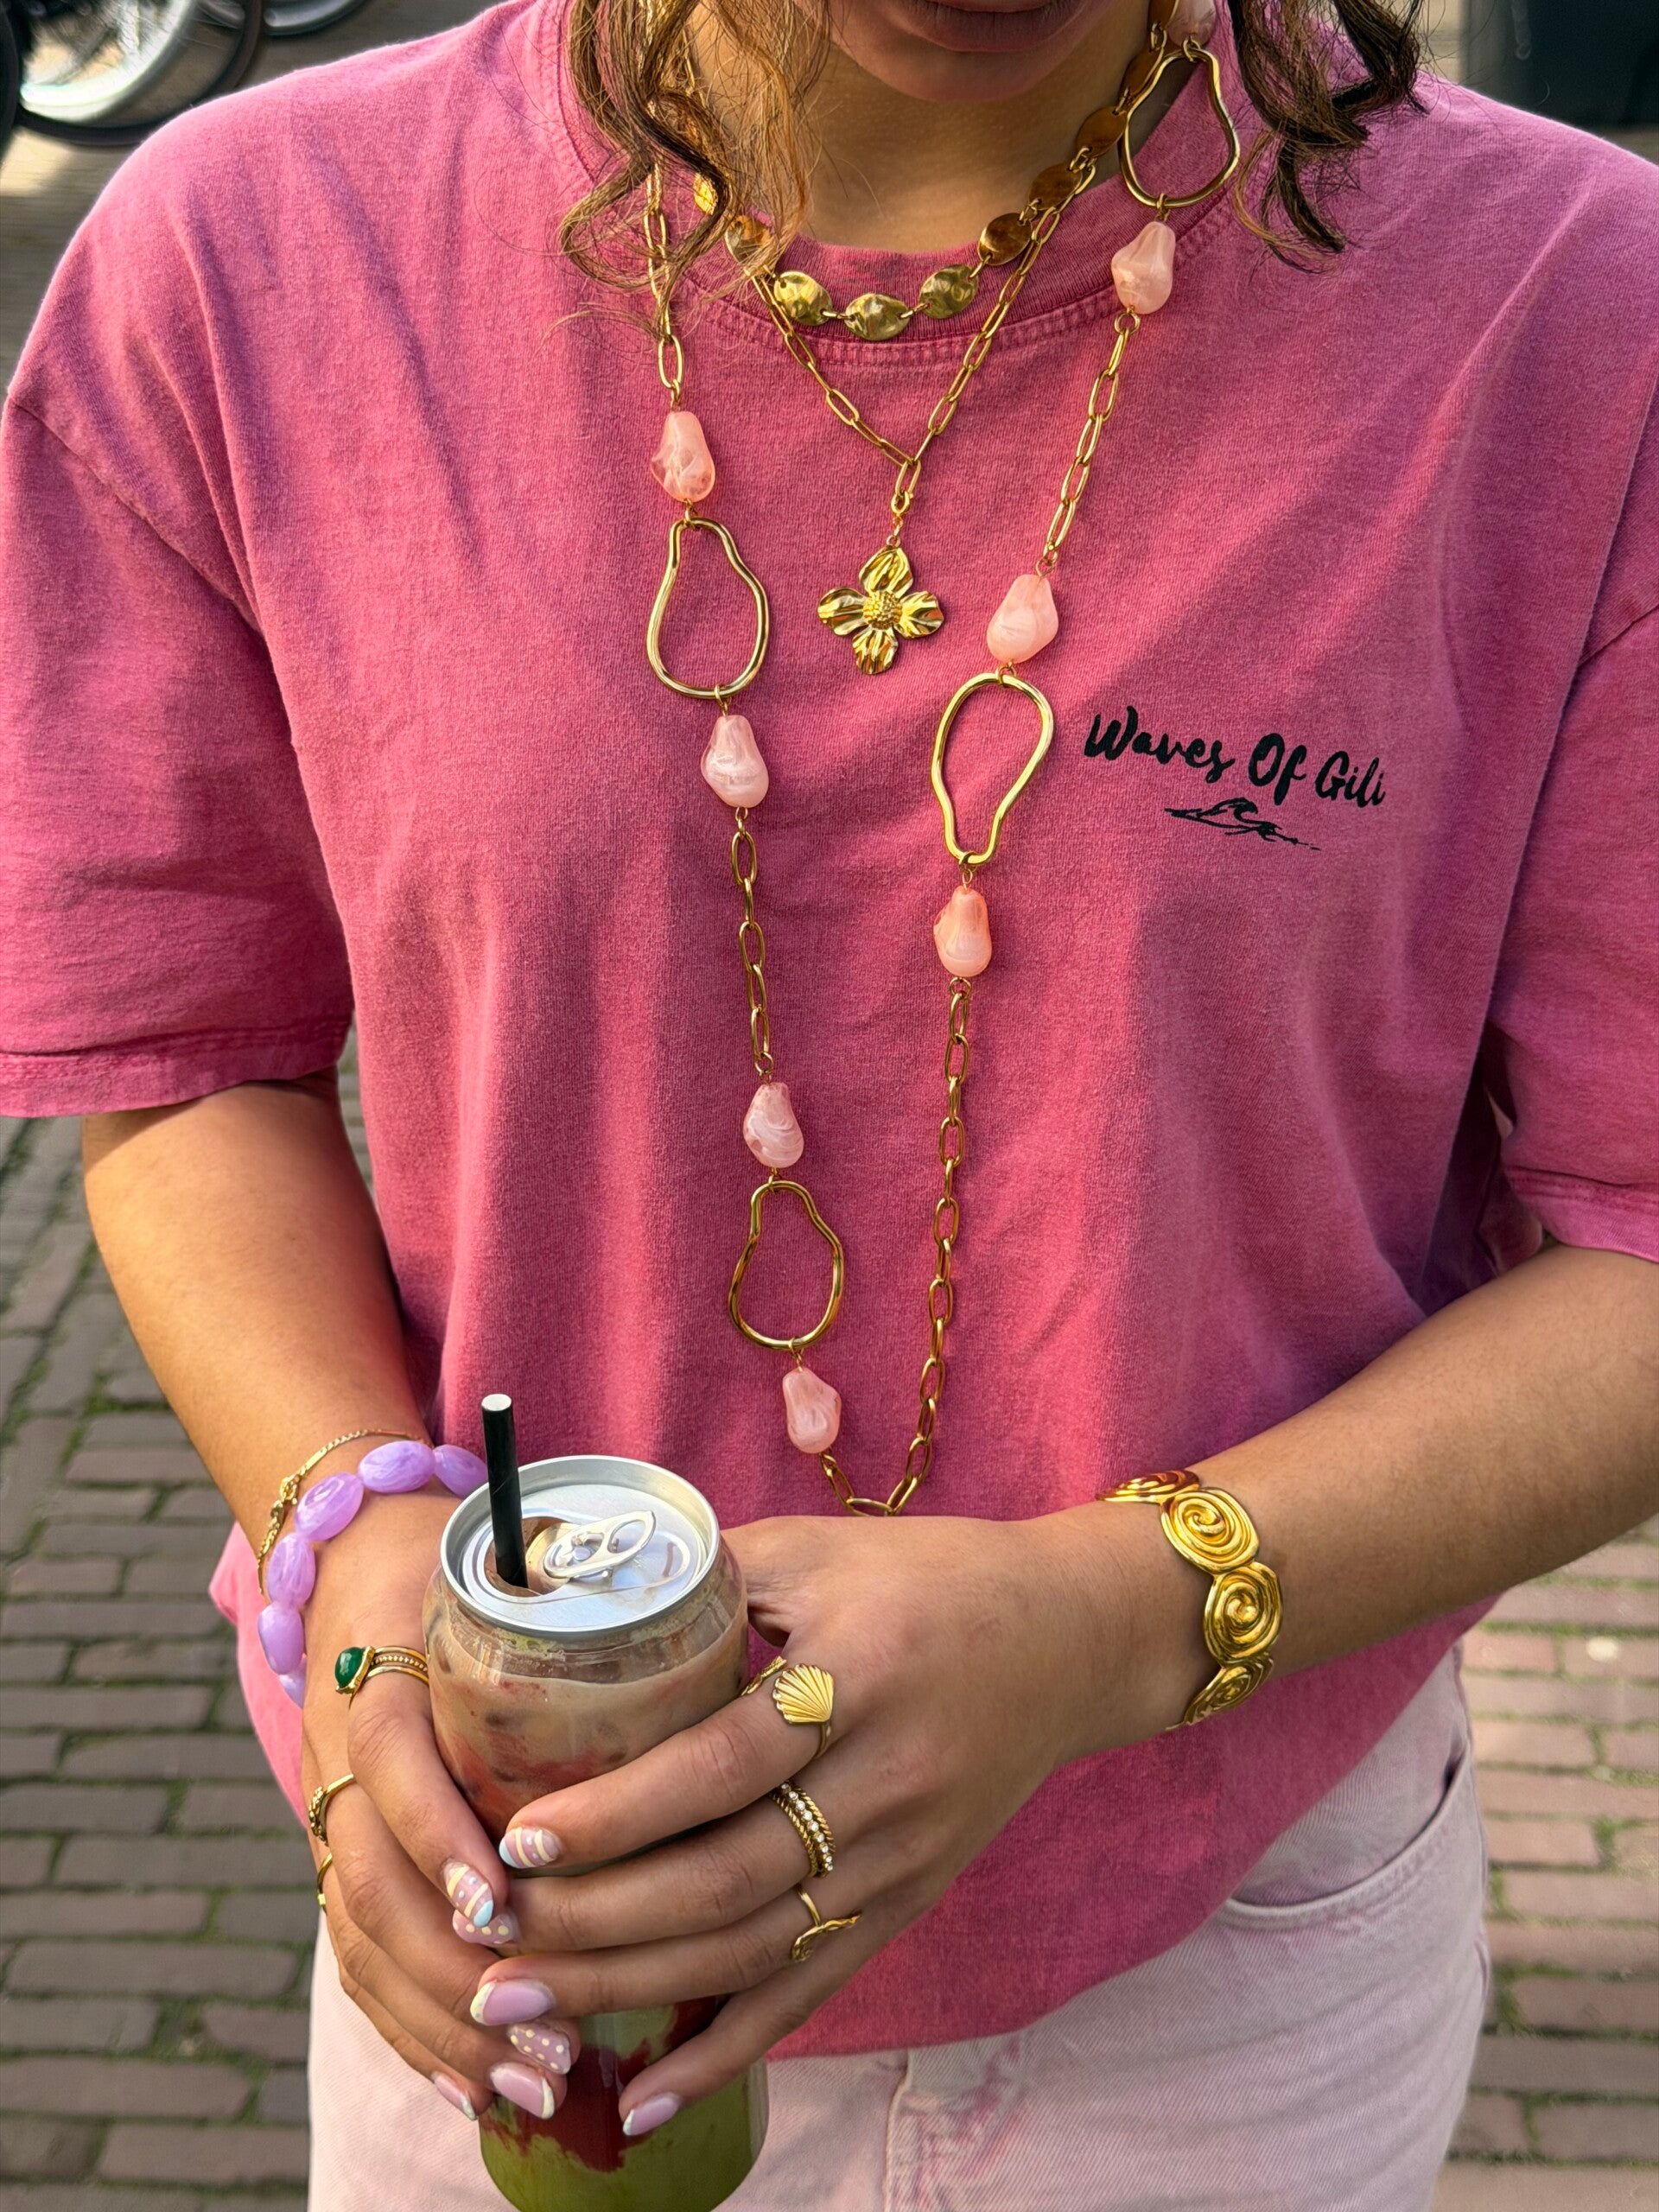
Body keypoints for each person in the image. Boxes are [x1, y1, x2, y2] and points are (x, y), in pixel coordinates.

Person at [2, 0, 1656, 2202]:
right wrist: (368, 1554)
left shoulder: (1579, 326)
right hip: (516, 1922)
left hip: (1227, 1940)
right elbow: (191, 1050)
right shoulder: (249, 264)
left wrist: (1108, 1619)